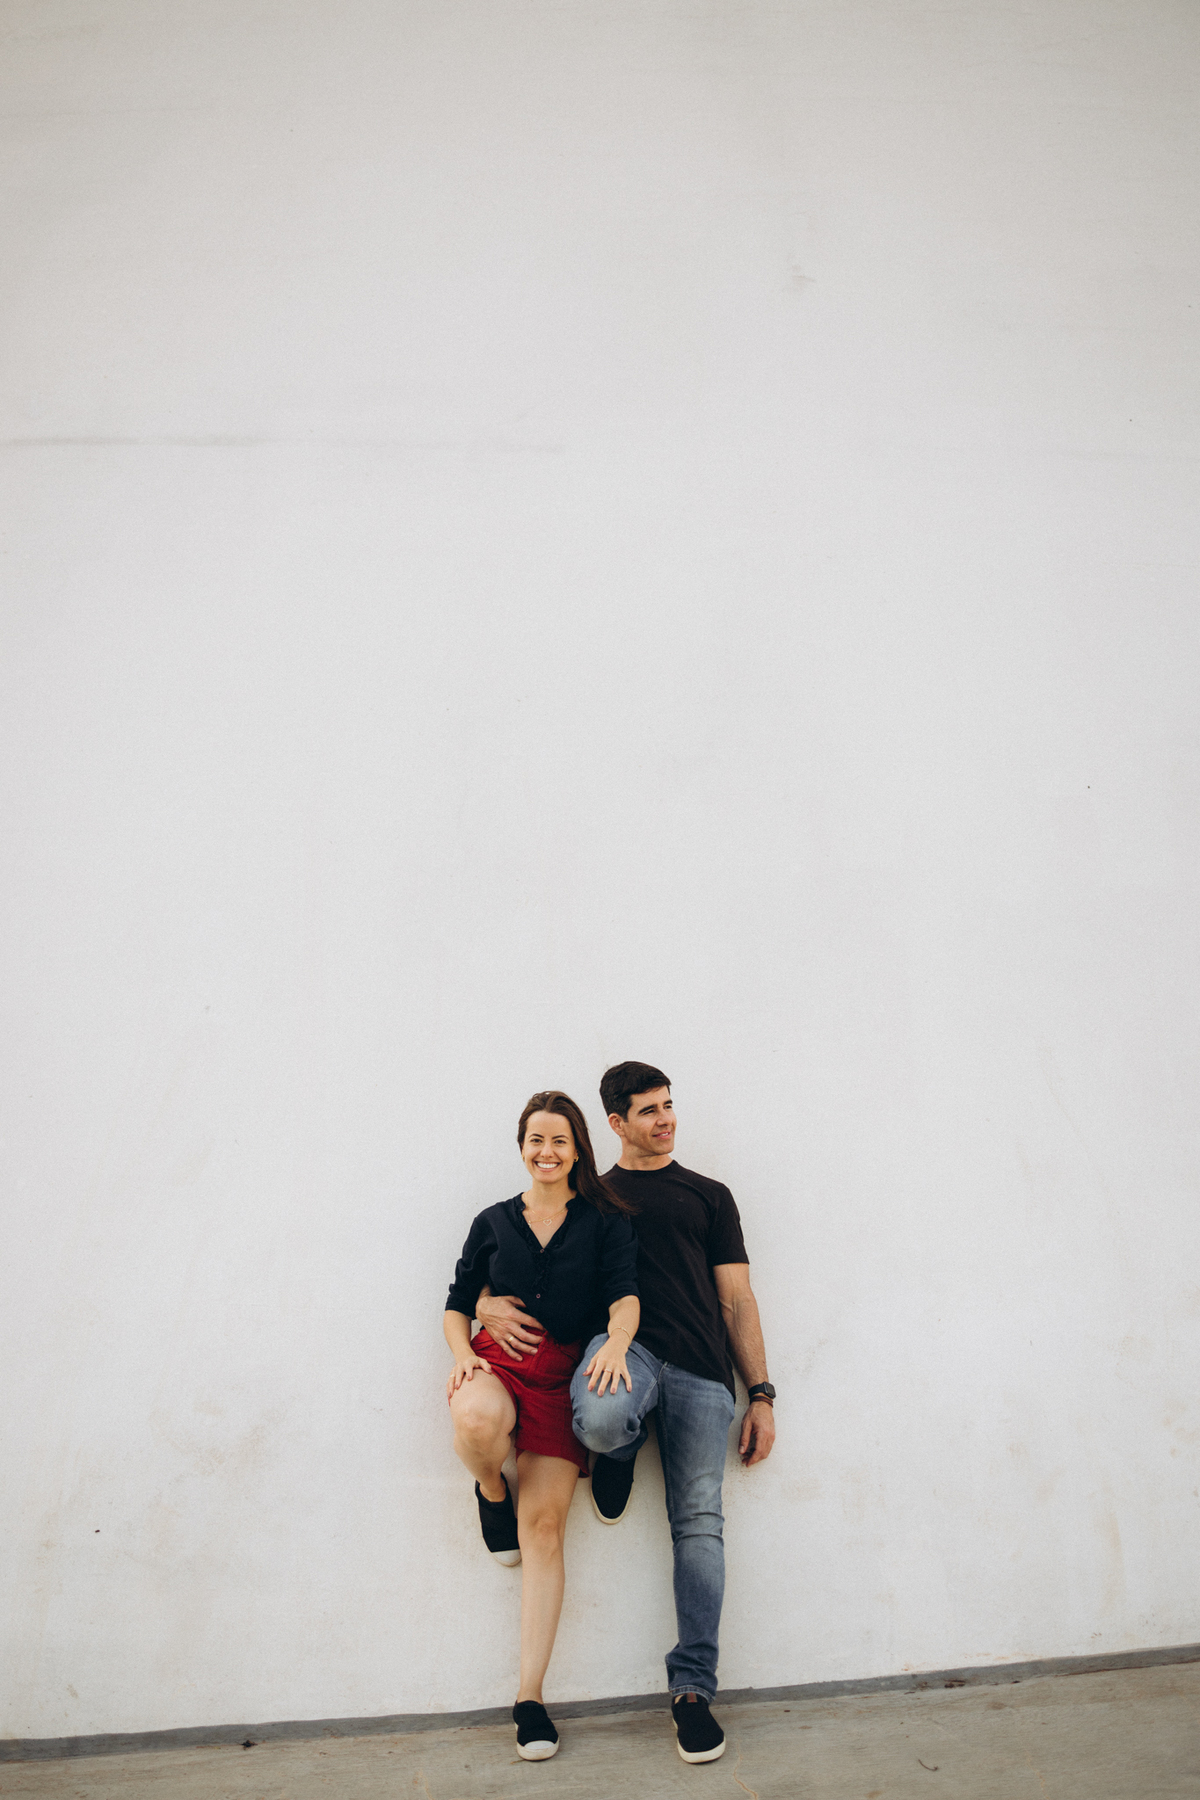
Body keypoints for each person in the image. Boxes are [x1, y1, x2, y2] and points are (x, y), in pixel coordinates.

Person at [476, 1062, 774, 1765]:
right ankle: (616, 1450)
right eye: (648, 1110)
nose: (665, 1119)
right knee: (603, 1419)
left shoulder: (709, 1195)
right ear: (615, 1123)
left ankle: (692, 1693)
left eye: (669, 1106)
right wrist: (484, 1303)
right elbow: (528, 1258)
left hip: (702, 1368)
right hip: (624, 1355)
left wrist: (760, 1392)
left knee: (699, 1523)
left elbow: (737, 1299)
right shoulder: (593, 1199)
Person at [444, 1089, 639, 1761]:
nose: (547, 1151)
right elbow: (456, 1300)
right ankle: (491, 1490)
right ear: (522, 1147)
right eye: (536, 1140)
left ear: (578, 1149)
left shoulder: (605, 1222)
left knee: (546, 1532)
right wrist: (465, 1351)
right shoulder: (493, 1221)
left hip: (562, 1380)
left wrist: (617, 1344)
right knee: (474, 1417)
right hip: (497, 1364)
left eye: (560, 1140)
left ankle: (529, 1698)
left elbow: (624, 1297)